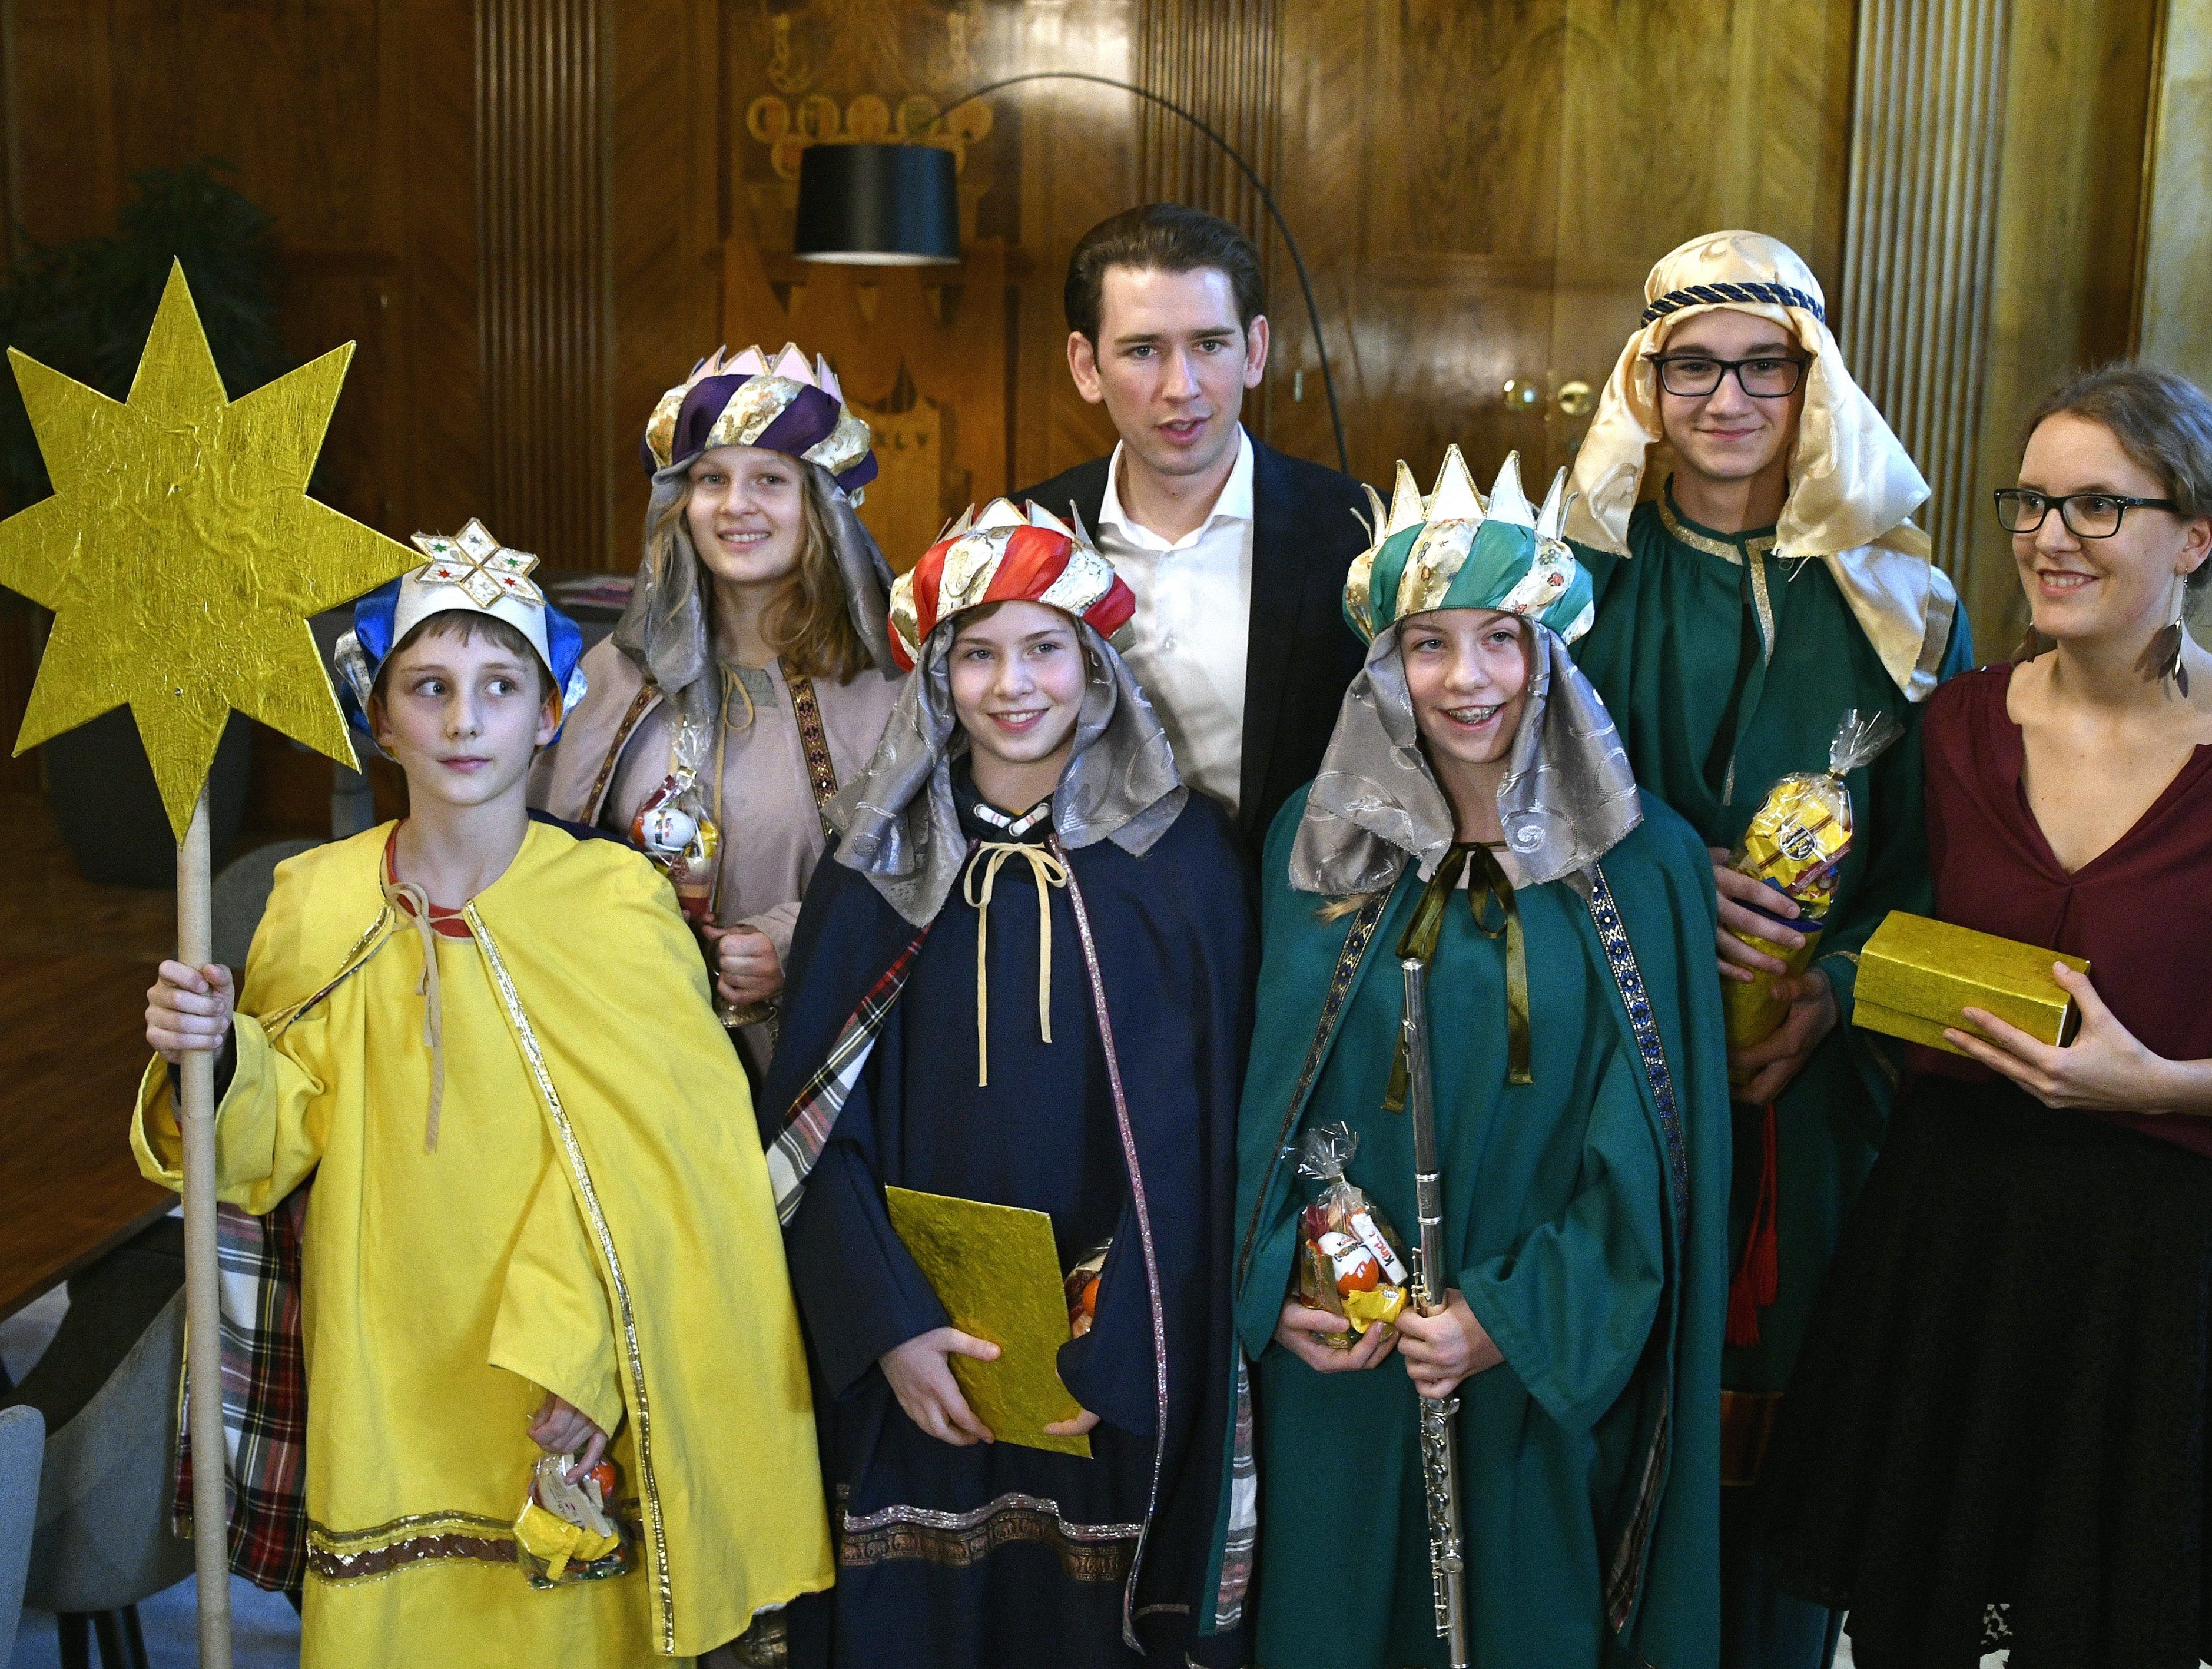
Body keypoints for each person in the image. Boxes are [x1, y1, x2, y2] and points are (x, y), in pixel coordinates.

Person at [140, 551, 831, 1665]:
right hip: (384, 1369)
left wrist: (585, 1350)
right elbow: (269, 1154)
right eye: (431, 688)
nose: (465, 720)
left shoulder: (618, 904)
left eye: (501, 688)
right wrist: (217, 1058)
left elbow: (678, 1165)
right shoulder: (315, 901)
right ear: (382, 721)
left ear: (550, 715)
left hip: (551, 1380)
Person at [1231, 447, 1730, 1668]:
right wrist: (1279, 1278)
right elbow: (1257, 1106)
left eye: (1501, 640)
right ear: (1384, 668)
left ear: (1550, 656)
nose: (1468, 679)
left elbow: (1655, 1164)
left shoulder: (1644, 862)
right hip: (1341, 1361)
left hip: (1536, 1366)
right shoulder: (1318, 841)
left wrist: (1503, 1320)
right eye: (1430, 644)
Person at [1757, 363, 2212, 1669]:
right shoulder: (1954, 727)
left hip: (2155, 1260)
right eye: (2031, 501)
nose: (2050, 536)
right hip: (1953, 1236)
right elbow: (1879, 928)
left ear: (2194, 537)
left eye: (2098, 506)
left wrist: (2154, 1085)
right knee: (1920, 1623)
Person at [1563, 230, 1975, 1668]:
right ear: (1643, 383)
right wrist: (1671, 884)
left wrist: (1841, 994)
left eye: (1765, 368)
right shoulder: (1567, 595)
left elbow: (1950, 865)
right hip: (1607, 1074)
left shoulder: (1905, 607)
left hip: (1815, 1098)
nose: (1728, 399)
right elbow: (1501, 816)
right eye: (1693, 366)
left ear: (1815, 387)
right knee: (1605, 1428)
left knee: (1787, 1456)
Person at [758, 499, 1255, 1668]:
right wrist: (888, 1325)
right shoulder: (876, 864)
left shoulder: (1182, 859)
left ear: (1096, 666)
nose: (1013, 684)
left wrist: (1127, 1334)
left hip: (1112, 1351)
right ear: (937, 677)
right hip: (916, 1354)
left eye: (1044, 649)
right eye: (977, 654)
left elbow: (1215, 1132)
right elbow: (811, 1128)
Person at [531, 342, 900, 1074]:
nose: (736, 506)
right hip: (632, 1057)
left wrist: (799, 943)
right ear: (682, 505)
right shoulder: (608, 678)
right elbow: (543, 862)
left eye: (770, 479)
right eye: (711, 480)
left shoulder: (890, 688)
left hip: (820, 1067)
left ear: (821, 505)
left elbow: (927, 881)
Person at [1016, 202, 1367, 854]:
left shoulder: (1359, 535)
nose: (1182, 386)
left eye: (1209, 345)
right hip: (1075, 903)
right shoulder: (1019, 534)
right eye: (1144, 350)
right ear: (1087, 366)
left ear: (1254, 351)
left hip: (1293, 904)